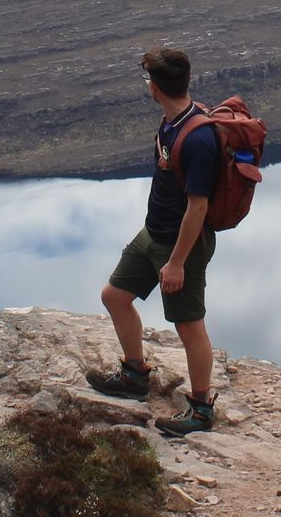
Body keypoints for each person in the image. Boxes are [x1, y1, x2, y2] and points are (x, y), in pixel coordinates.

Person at [85, 46, 220, 436]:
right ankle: (134, 373)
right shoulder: (173, 122)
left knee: (189, 327)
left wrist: (176, 262)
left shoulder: (197, 138)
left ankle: (200, 408)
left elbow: (197, 208)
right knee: (114, 296)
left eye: (148, 80)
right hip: (153, 233)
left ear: (155, 88)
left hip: (180, 246)